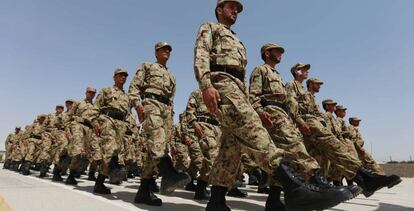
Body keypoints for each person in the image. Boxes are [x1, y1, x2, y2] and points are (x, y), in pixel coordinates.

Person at [193, 1, 353, 210]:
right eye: (231, 7)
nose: (235, 12)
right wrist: (206, 85)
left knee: (231, 147)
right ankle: (294, 187)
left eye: (237, 9)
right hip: (222, 83)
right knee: (255, 131)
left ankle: (216, 201)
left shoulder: (237, 40)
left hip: (238, 87)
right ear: (219, 10)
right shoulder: (210, 27)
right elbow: (202, 54)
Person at [129, 42, 190, 206]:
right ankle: (169, 174)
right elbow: (134, 87)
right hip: (151, 105)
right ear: (156, 53)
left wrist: (170, 118)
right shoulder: (147, 66)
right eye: (163, 49)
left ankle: (143, 192)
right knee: (157, 141)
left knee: (154, 153)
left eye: (169, 50)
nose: (167, 52)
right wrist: (138, 105)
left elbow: (171, 98)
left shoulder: (171, 76)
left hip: (166, 111)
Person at [91, 68, 133, 194]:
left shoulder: (127, 96)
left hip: (121, 125)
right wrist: (94, 121)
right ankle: (100, 181)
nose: (123, 78)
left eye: (125, 76)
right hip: (108, 120)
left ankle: (102, 180)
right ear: (114, 77)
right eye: (120, 75)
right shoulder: (106, 90)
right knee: (109, 150)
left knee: (116, 153)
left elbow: (128, 113)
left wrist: (130, 127)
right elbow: (96, 107)